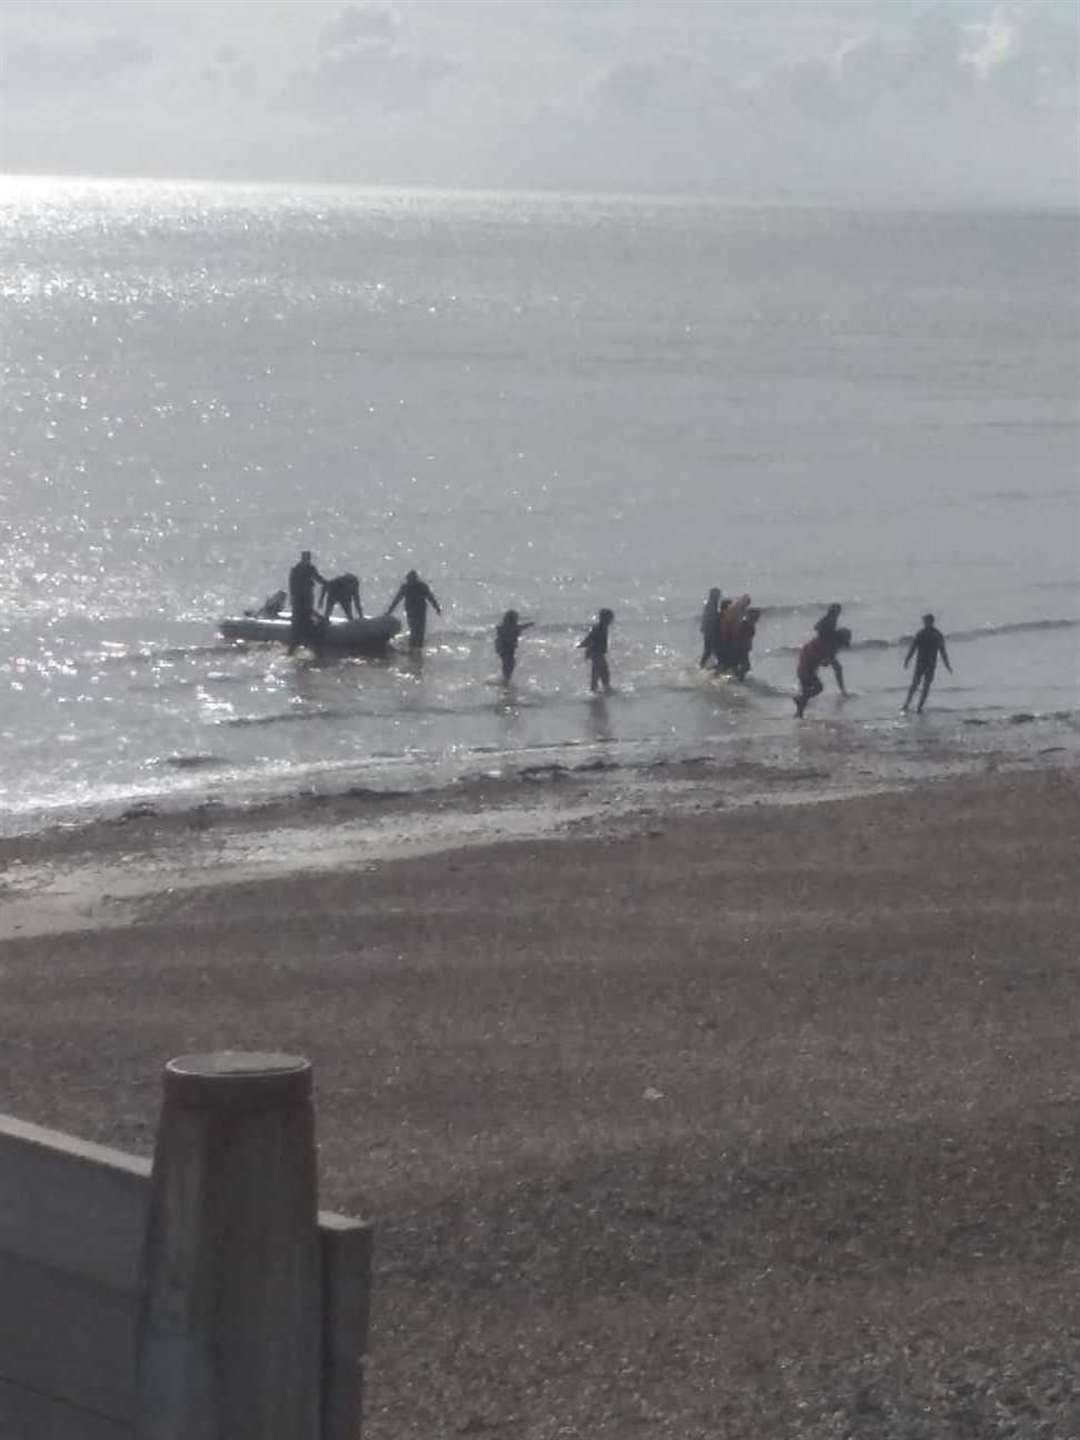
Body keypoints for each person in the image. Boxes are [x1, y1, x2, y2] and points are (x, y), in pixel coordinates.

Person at [795, 626, 851, 718]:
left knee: (806, 690)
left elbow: (826, 661)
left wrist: (825, 661)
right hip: (808, 665)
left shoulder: (826, 642)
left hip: (805, 660)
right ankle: (800, 701)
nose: (841, 647)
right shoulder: (830, 646)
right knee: (818, 688)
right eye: (843, 643)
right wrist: (842, 690)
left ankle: (799, 714)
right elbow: (836, 668)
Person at [902, 613, 952, 714]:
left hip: (930, 664)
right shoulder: (921, 633)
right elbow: (913, 648)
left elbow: (943, 651)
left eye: (926, 621)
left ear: (931, 622)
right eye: (924, 621)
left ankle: (919, 707)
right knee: (915, 684)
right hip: (920, 663)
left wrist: (947, 665)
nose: (924, 623)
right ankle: (907, 704)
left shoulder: (937, 635)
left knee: (926, 686)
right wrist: (907, 660)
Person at [387, 569, 442, 650]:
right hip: (411, 612)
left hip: (420, 611)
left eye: (412, 579)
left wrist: (437, 608)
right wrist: (390, 611)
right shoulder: (405, 587)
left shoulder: (422, 586)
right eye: (409, 579)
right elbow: (397, 600)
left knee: (420, 631)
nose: (410, 581)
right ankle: (413, 648)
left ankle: (418, 649)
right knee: (414, 630)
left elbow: (430, 598)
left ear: (416, 579)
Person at [287, 550, 325, 655]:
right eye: (306, 558)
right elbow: (292, 586)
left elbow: (318, 578)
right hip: (300, 601)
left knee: (306, 619)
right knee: (300, 626)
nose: (307, 560)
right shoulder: (296, 570)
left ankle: (297, 647)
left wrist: (328, 584)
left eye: (308, 558)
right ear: (302, 558)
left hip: (306, 600)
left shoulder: (310, 568)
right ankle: (298, 646)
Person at [812, 603, 848, 694]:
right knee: (836, 668)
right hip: (822, 647)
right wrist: (828, 632)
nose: (837, 612)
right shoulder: (828, 618)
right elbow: (816, 627)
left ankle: (842, 690)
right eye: (835, 610)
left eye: (838, 610)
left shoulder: (833, 619)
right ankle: (842, 690)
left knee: (837, 668)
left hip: (828, 648)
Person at [579, 608, 614, 694]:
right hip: (596, 653)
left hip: (599, 653)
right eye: (610, 618)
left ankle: (605, 688)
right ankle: (594, 690)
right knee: (597, 672)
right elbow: (590, 638)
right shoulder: (598, 627)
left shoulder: (604, 627)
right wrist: (583, 646)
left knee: (604, 672)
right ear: (604, 619)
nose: (611, 621)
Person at [495, 609, 534, 683]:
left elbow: (519, 628)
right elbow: (517, 629)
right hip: (506, 649)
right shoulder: (509, 627)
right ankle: (505, 681)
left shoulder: (506, 626)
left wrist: (529, 625)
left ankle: (505, 680)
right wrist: (529, 625)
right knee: (509, 664)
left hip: (506, 649)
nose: (517, 619)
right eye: (516, 617)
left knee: (509, 664)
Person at [700, 588, 724, 668]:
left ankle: (704, 665)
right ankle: (702, 665)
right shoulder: (711, 605)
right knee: (709, 651)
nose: (718, 597)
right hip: (710, 633)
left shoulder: (711, 604)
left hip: (709, 632)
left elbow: (705, 619)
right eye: (717, 595)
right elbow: (711, 619)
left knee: (710, 651)